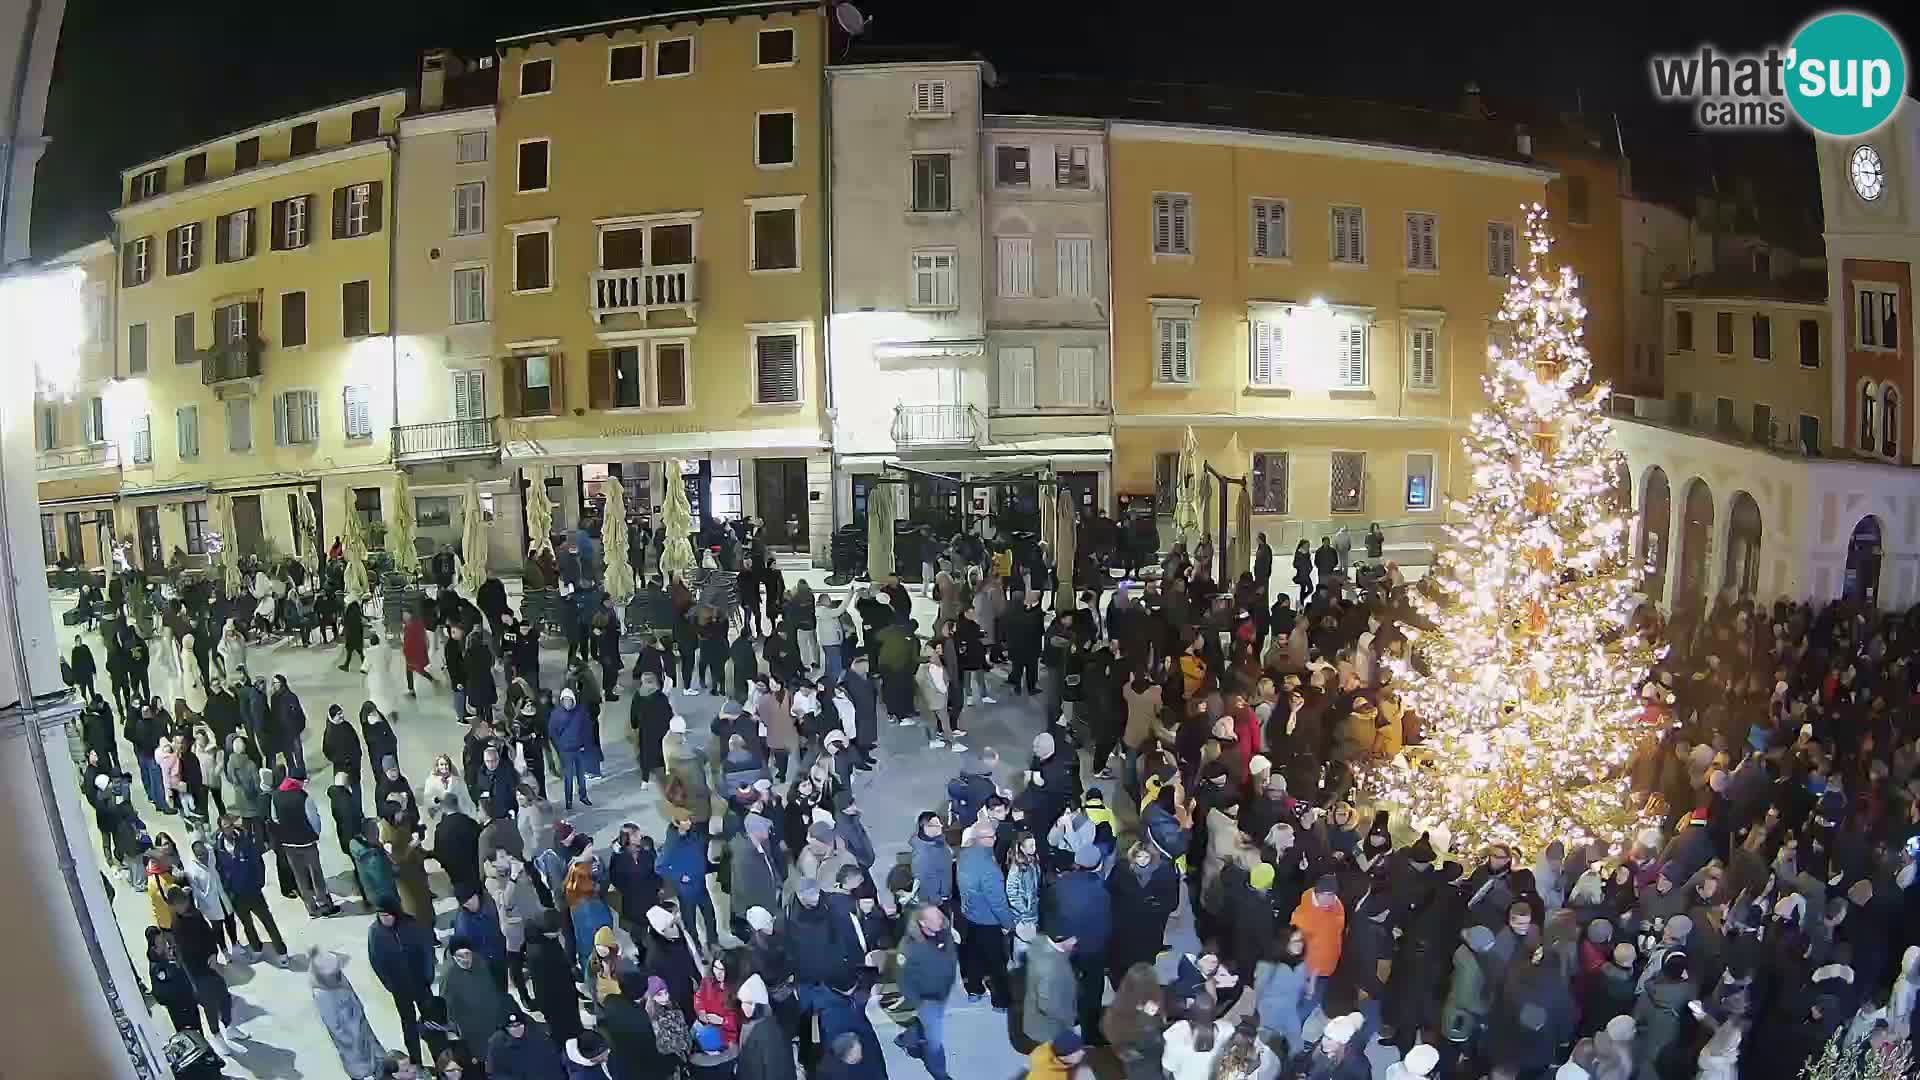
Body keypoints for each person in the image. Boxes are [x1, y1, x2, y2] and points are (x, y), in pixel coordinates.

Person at [897, 903, 959, 1080]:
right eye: (934, 919)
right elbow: (903, 981)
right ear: (922, 923)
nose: (940, 920)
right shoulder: (908, 947)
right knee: (934, 1041)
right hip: (926, 1000)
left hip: (941, 994)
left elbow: (950, 957)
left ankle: (908, 1038)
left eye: (939, 916)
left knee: (925, 1027)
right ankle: (940, 1074)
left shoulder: (944, 932)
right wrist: (918, 1003)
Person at [270, 768, 338, 916]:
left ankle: (311, 908)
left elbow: (275, 818)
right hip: (307, 843)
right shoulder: (303, 797)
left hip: (288, 844)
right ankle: (324, 904)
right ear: (298, 781)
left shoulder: (276, 796)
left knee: (299, 876)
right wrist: (316, 834)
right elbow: (314, 820)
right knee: (316, 873)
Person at [311, 948, 386, 1080]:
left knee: (378, 1063)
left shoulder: (338, 978)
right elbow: (334, 1025)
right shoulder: (322, 995)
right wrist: (353, 1037)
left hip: (362, 1030)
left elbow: (353, 997)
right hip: (352, 1042)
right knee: (359, 1068)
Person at [550, 687, 594, 809]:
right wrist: (560, 746)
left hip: (579, 749)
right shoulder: (556, 714)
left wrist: (585, 745)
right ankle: (568, 801)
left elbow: (587, 730)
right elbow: (552, 732)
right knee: (568, 777)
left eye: (569, 700)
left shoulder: (581, 712)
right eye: (565, 700)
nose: (567, 703)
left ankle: (583, 796)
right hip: (566, 751)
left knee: (581, 776)